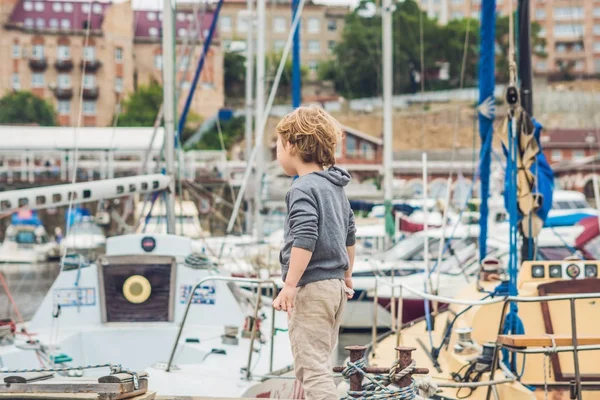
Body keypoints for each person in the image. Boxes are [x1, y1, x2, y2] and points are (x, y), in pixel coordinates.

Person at [272, 105, 356, 400]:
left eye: (278, 146)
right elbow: (349, 234)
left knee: (311, 368)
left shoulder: (302, 189)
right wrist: (347, 277)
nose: (277, 154)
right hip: (334, 288)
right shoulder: (335, 187)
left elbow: (305, 236)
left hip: (312, 288)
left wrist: (290, 285)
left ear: (292, 145)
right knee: (319, 362)